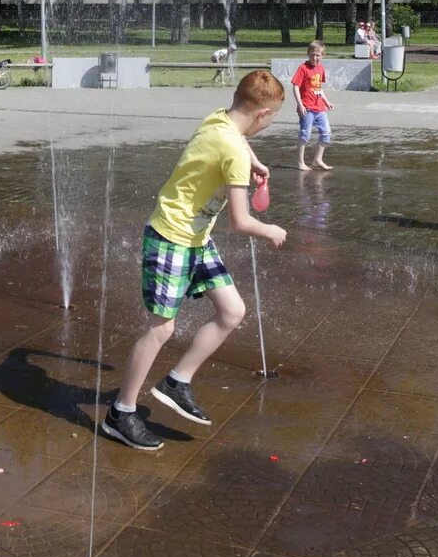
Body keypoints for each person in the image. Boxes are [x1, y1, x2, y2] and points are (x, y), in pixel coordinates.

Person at [102, 69, 287, 451]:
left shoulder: (219, 119)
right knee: (161, 329)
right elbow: (240, 222)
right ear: (263, 115)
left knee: (232, 311)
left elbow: (237, 140)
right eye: (271, 119)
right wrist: (271, 231)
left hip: (196, 239)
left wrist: (255, 160)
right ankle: (120, 413)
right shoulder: (233, 150)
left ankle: (176, 381)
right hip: (171, 236)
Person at [292, 41, 334, 172]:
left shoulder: (320, 68)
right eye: (312, 55)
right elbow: (296, 87)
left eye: (318, 55)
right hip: (307, 107)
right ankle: (300, 162)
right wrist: (300, 104)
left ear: (323, 56)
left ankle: (317, 159)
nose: (315, 58)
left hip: (319, 107)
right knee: (305, 134)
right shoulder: (303, 68)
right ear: (308, 54)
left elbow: (318, 88)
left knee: (326, 134)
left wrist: (326, 102)